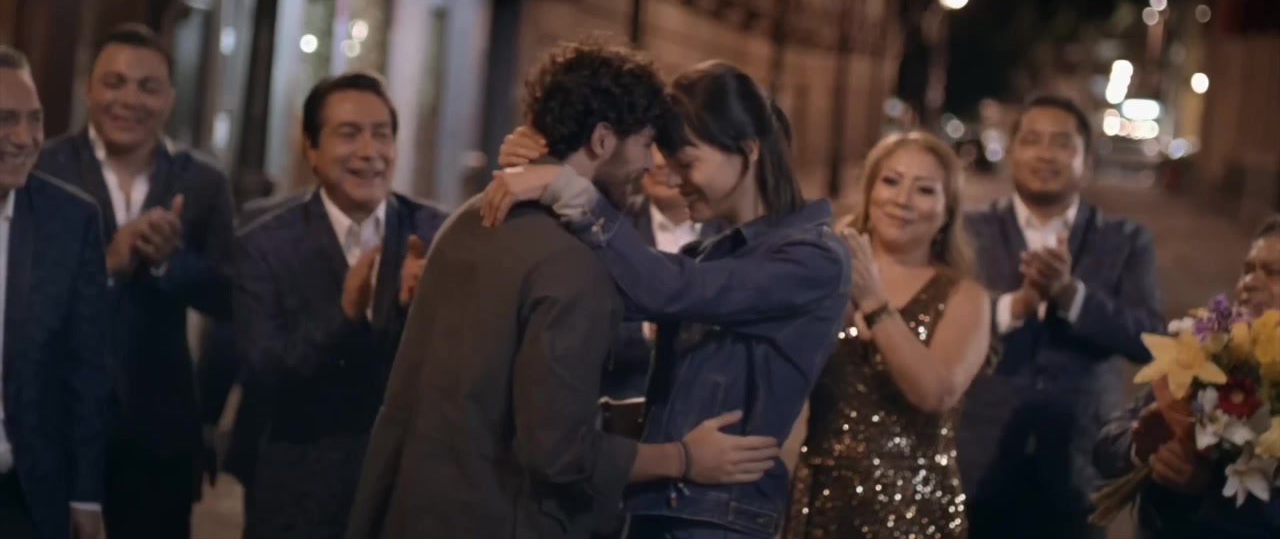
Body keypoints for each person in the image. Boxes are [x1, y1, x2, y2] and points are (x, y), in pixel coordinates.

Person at [345, 43, 781, 539]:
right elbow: (559, 452)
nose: (649, 163)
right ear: (602, 140)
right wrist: (682, 458)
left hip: (412, 510)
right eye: (644, 143)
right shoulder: (574, 261)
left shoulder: (472, 216)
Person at [485, 59, 851, 539]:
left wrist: (568, 189)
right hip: (667, 507)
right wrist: (552, 164)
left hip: (715, 518)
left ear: (748, 151)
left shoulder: (812, 258)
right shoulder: (712, 253)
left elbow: (669, 289)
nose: (672, 180)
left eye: (687, 162)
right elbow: (604, 293)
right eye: (666, 162)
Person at [35, 24, 235, 539]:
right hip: (54, 422)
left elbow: (232, 298)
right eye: (114, 83)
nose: (129, 100)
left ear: (169, 98)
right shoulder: (43, 168)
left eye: (148, 87)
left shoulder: (203, 182)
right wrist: (108, 262)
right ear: (88, 90)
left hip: (159, 432)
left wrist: (170, 263)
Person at [234, 73, 446, 539]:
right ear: (311, 149)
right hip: (298, 494)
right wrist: (345, 316)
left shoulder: (437, 236)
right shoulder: (265, 245)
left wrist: (424, 309)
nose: (369, 151)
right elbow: (263, 372)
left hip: (405, 496)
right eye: (349, 134)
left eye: (382, 135)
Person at [957, 95, 1165, 539]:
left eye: (1062, 143)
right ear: (1011, 152)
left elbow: (1151, 340)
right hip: (979, 456)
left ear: (1086, 160)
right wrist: (1014, 306)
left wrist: (1072, 296)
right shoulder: (967, 231)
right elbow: (944, 322)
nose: (1045, 154)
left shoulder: (1125, 239)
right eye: (1032, 140)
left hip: (1080, 462)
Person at [784, 132, 991, 539]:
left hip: (914, 510)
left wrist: (875, 304)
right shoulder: (826, 276)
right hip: (821, 503)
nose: (902, 200)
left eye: (924, 189)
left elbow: (936, 393)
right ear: (869, 192)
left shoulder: (965, 296)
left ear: (947, 210)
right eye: (891, 181)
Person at [1094, 215, 1280, 539]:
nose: (1250, 282)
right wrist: (1142, 449)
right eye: (1247, 269)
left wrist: (1205, 488)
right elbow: (1108, 443)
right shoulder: (1207, 353)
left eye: (1274, 272)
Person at [0, 46, 111, 539]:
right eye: (5, 119)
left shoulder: (71, 220)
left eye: (35, 119)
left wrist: (86, 494)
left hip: (25, 495)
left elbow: (87, 367)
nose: (25, 138)